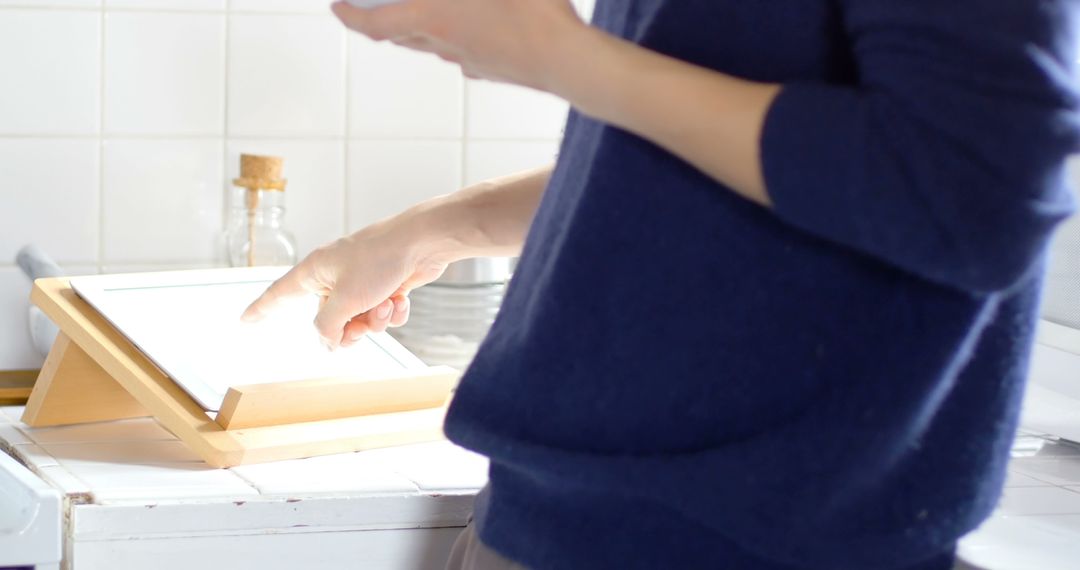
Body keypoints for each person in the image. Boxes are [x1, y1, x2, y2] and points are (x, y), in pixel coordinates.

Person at [242, 1, 1080, 568]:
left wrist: (553, 53)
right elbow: (720, 149)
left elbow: (970, 189)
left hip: (748, 536)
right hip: (557, 515)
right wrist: (432, 230)